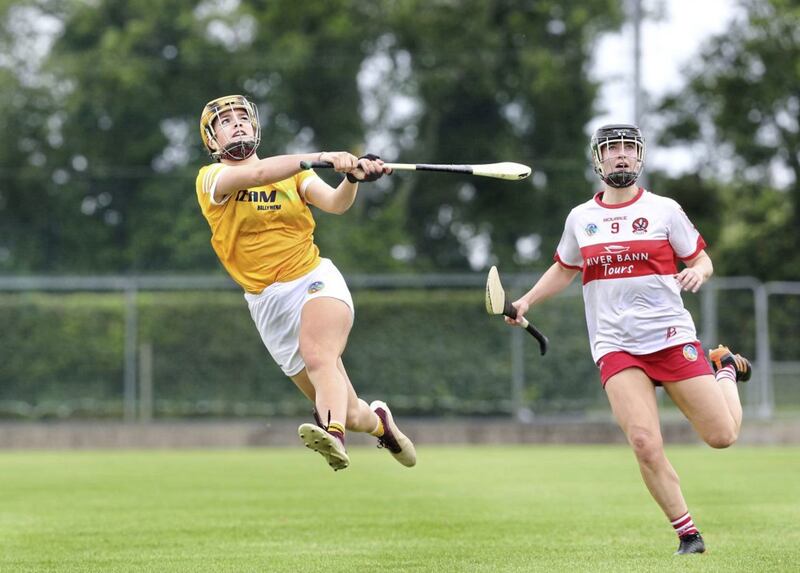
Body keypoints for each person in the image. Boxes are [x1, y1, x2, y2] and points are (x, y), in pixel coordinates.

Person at [504, 124, 751, 555]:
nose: (621, 156)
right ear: (598, 159)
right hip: (615, 345)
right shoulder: (581, 218)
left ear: (639, 157)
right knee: (643, 441)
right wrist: (525, 301)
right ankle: (688, 535)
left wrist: (698, 271)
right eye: (612, 149)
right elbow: (565, 268)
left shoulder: (664, 210)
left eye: (628, 149)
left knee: (722, 437)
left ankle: (725, 368)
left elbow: (702, 259)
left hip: (672, 338)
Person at [195, 94, 416, 471]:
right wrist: (323, 156)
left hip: (313, 279)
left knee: (318, 355)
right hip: (267, 304)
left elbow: (335, 203)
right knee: (352, 411)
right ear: (213, 141)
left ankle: (332, 433)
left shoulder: (295, 175)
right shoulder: (212, 179)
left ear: (255, 126)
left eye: (242, 118)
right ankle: (379, 423)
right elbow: (260, 174)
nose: (236, 124)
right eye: (225, 121)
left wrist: (352, 178)